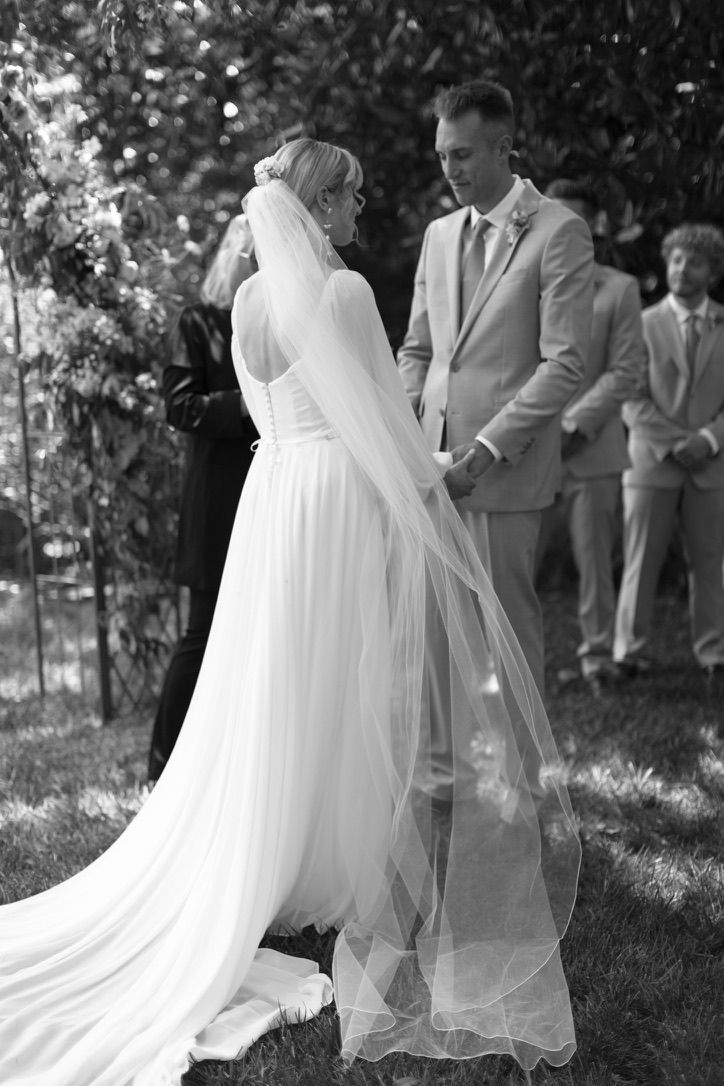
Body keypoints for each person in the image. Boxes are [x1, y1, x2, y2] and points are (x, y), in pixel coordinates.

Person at [0, 139, 580, 1084]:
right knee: (344, 678)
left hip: (275, 503)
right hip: (337, 498)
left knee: (281, 678)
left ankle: (287, 852)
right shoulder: (342, 295)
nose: (363, 207)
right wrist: (429, 477)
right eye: (352, 193)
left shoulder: (251, 298)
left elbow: (284, 410)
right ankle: (343, 871)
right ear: (319, 205)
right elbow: (377, 418)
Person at [397, 81, 594, 701]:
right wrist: (403, 431)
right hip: (428, 467)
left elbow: (563, 364)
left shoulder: (560, 231)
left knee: (507, 633)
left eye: (462, 155)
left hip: (503, 470)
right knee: (432, 637)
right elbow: (420, 351)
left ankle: (525, 792)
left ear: (504, 149)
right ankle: (445, 784)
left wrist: (484, 448)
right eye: (442, 155)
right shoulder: (437, 234)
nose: (449, 169)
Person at [148, 215, 259, 782]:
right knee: (203, 629)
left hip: (272, 494)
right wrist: (249, 403)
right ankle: (163, 760)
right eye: (254, 254)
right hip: (218, 498)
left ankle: (231, 757)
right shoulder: (198, 322)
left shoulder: (276, 321)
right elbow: (180, 407)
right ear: (236, 255)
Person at [539, 179, 646, 687]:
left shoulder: (619, 289)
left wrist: (573, 424)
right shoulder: (525, 281)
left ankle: (597, 659)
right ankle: (515, 667)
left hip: (593, 446)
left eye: (574, 219)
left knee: (595, 565)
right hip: (525, 445)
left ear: (594, 227)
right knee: (516, 562)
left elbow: (625, 371)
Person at [613, 223, 724, 678]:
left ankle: (713, 653)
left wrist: (709, 439)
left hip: (713, 462)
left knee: (711, 563)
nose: (682, 269)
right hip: (651, 461)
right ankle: (629, 652)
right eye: (676, 259)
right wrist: (678, 442)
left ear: (712, 272)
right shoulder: (640, 324)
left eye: (694, 261)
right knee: (641, 559)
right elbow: (629, 396)